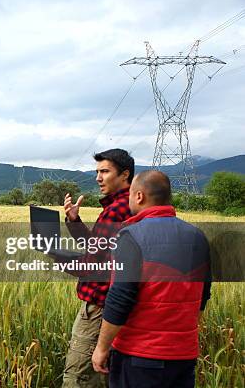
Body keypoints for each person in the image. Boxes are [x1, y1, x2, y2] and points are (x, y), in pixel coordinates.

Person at [91, 170, 212, 388]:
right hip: (183, 357)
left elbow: (120, 298)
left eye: (130, 195)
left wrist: (101, 348)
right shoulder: (197, 236)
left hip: (139, 356)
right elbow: (203, 296)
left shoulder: (131, 236)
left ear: (139, 197)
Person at [61, 149, 134, 388]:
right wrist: (74, 221)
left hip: (100, 309)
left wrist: (55, 256)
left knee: (79, 378)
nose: (98, 178)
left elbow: (95, 264)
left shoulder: (117, 211)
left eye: (104, 171)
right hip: (112, 307)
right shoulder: (126, 206)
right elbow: (98, 248)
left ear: (125, 175)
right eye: (97, 172)